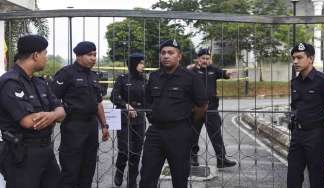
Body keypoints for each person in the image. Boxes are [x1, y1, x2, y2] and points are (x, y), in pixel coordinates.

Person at [139, 39, 208, 188]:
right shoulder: (154, 77)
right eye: (163, 53)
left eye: (170, 52)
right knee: (146, 178)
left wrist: (188, 124)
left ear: (179, 56)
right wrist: (153, 116)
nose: (166, 56)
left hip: (179, 133)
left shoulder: (191, 78)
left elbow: (202, 105)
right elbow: (148, 101)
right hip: (155, 133)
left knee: (180, 178)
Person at [0, 34, 66, 188]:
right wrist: (55, 114)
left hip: (46, 151)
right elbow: (29, 121)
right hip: (22, 155)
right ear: (36, 55)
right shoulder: (10, 82)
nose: (47, 58)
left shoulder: (40, 82)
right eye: (45, 54)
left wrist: (52, 114)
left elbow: (62, 111)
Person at [51, 41, 110, 188]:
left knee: (88, 169)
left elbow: (98, 103)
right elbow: (52, 98)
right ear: (78, 56)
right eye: (89, 55)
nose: (93, 58)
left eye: (95, 54)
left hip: (91, 126)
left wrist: (104, 125)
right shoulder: (66, 73)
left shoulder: (94, 76)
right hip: (73, 126)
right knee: (71, 171)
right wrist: (59, 114)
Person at [287, 42, 324, 188]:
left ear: (311, 58)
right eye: (293, 58)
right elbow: (296, 107)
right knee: (293, 179)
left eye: (299, 58)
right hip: (297, 135)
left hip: (316, 136)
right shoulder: (294, 83)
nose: (295, 61)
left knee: (317, 180)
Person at [188, 48, 236, 168]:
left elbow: (223, 73)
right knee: (193, 135)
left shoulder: (213, 69)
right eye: (203, 58)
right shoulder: (192, 71)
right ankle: (192, 158)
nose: (205, 60)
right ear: (198, 59)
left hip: (211, 108)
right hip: (196, 109)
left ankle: (221, 160)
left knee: (216, 135)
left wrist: (227, 74)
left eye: (207, 58)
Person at [110, 53, 146, 187]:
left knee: (136, 151)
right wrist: (126, 105)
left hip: (140, 119)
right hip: (124, 119)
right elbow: (114, 96)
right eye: (140, 63)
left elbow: (148, 100)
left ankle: (132, 181)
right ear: (133, 64)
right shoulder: (123, 79)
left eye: (143, 63)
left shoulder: (144, 80)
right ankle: (119, 171)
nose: (143, 66)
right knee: (125, 150)